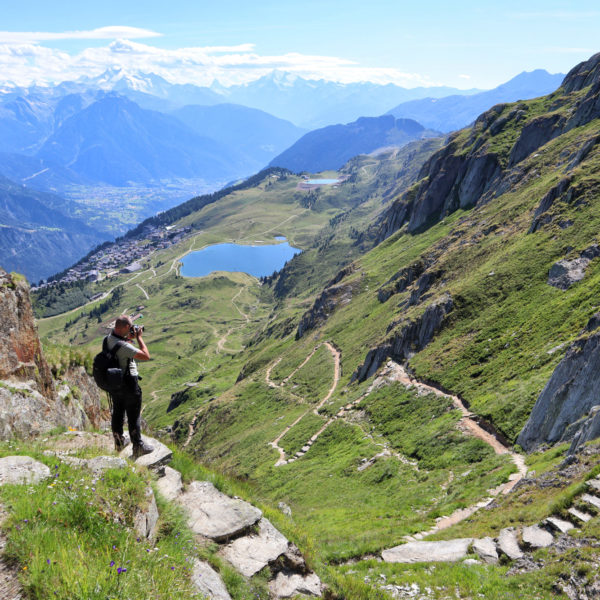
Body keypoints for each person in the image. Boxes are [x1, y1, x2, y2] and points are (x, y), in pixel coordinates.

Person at [106, 314, 154, 458]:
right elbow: (146, 356)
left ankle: (119, 441)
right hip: (129, 384)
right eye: (131, 326)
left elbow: (120, 347)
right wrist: (139, 338)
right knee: (133, 415)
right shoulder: (124, 346)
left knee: (118, 412)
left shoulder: (109, 338)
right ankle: (138, 446)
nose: (133, 328)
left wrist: (128, 339)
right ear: (126, 327)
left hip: (115, 383)